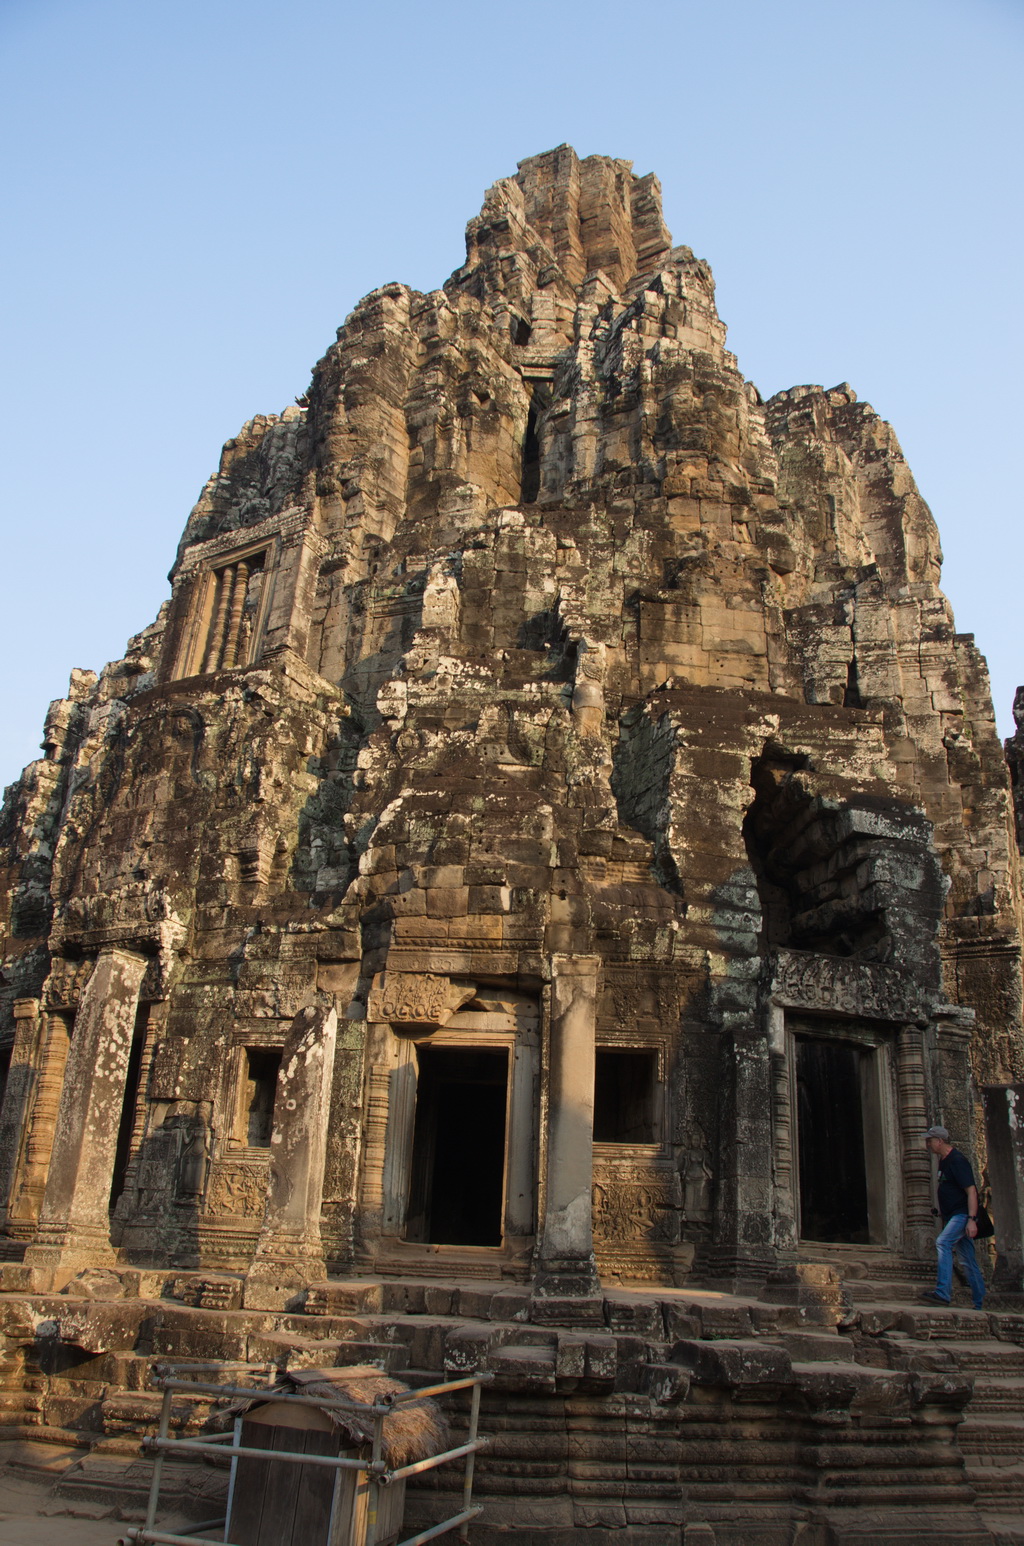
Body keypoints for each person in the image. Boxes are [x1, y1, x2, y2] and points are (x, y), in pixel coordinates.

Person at [919, 1125, 987, 1310]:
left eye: (930, 1141)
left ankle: (943, 1292)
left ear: (940, 1141)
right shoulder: (944, 1161)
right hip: (953, 1215)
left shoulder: (957, 1161)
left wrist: (972, 1220)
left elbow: (971, 1191)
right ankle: (981, 1301)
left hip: (962, 1214)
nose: (928, 1144)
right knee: (967, 1260)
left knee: (943, 1242)